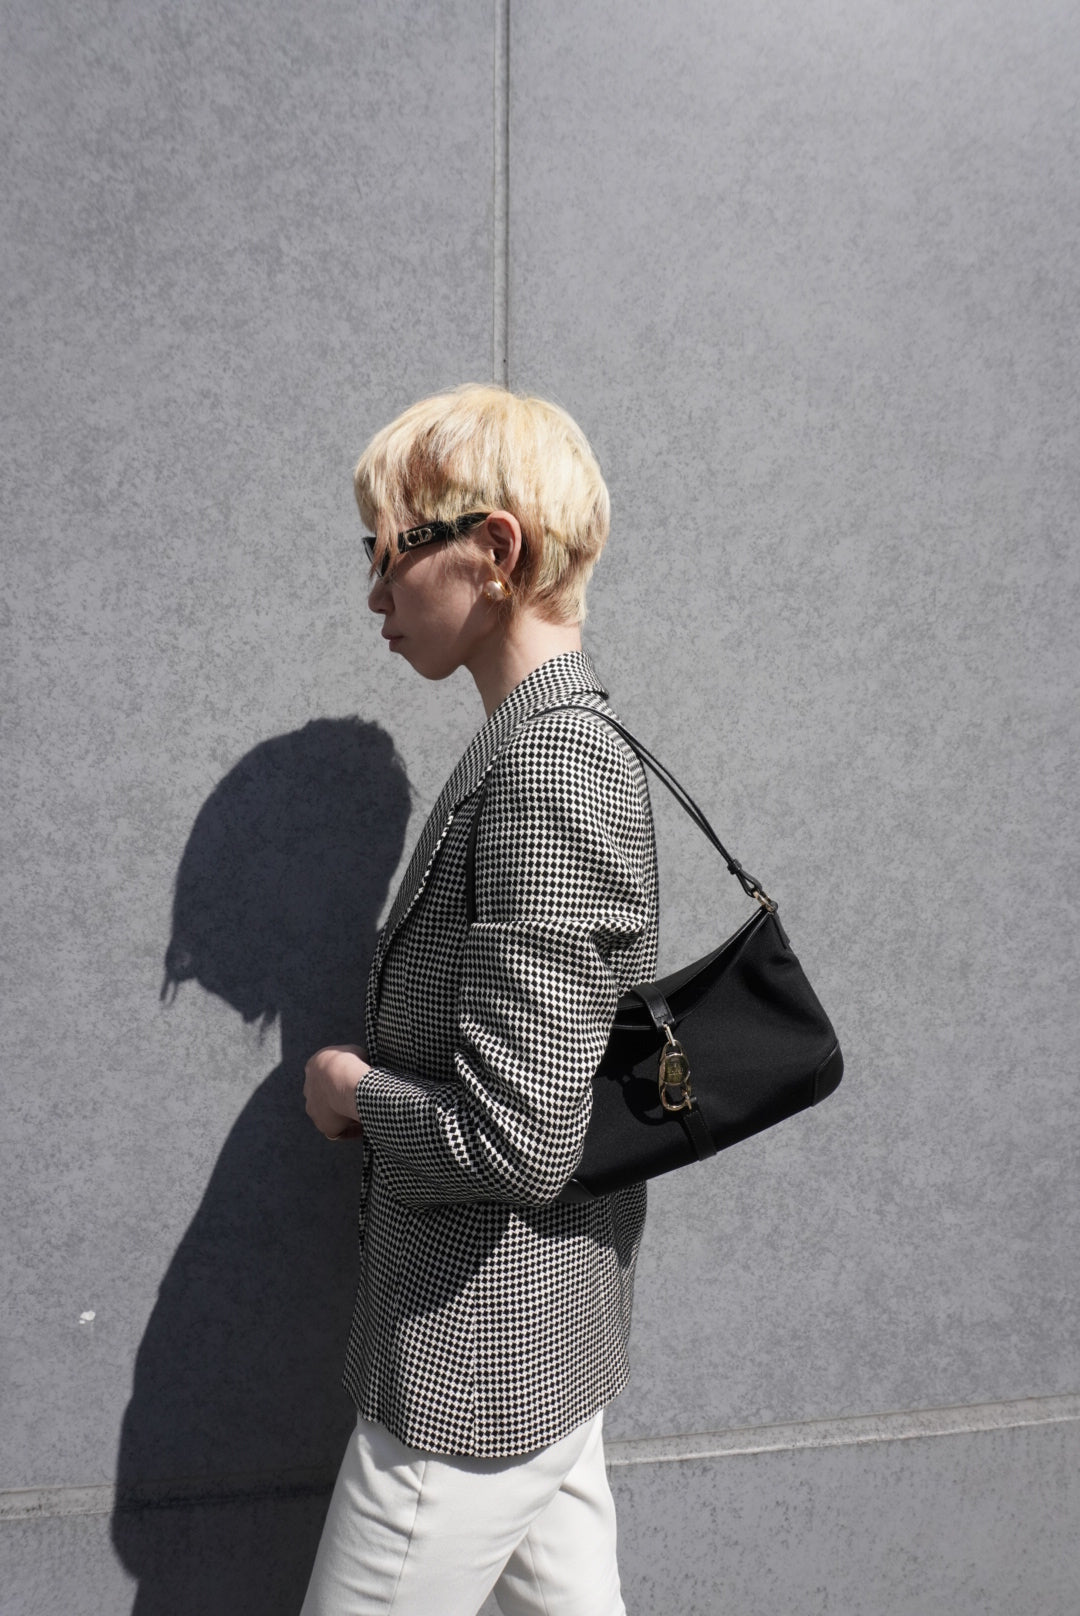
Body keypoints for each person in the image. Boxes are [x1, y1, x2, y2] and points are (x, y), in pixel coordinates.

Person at [300, 384, 659, 1616]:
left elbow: (519, 1139)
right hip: (533, 1346)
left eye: (388, 551)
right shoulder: (531, 745)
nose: (374, 592)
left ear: (494, 549)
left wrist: (353, 1090)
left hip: (471, 1379)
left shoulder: (547, 770)